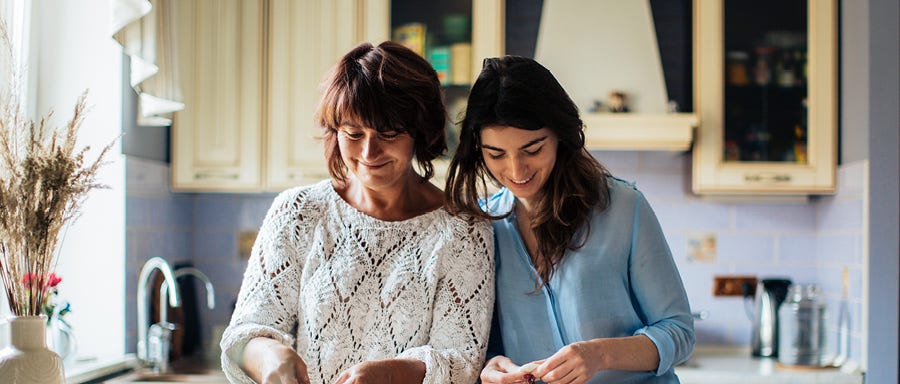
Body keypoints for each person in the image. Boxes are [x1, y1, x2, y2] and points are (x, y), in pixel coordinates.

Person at [220, 41, 495, 384]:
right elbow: (244, 332)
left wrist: (393, 373)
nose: (369, 151)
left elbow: (461, 361)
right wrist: (268, 354)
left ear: (418, 132)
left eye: (388, 133)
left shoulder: (463, 230)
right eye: (353, 133)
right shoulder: (299, 212)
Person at [445, 56, 694, 384]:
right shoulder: (483, 226)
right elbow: (484, 346)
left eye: (533, 149)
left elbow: (678, 332)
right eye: (496, 154)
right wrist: (491, 367)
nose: (516, 171)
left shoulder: (623, 208)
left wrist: (599, 354)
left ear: (560, 134)